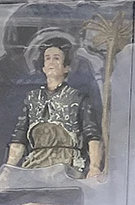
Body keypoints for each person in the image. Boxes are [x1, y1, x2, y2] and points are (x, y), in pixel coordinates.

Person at [7, 41, 103, 178]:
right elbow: (19, 136)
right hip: (34, 167)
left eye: (56, 58)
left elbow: (91, 134)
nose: (51, 62)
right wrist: (8, 169)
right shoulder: (32, 98)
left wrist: (94, 167)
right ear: (43, 67)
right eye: (47, 58)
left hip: (67, 166)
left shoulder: (78, 98)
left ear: (66, 68)